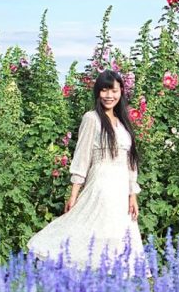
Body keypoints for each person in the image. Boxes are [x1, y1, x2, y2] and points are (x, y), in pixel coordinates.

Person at [27, 69, 145, 272]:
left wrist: (132, 193)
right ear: (98, 92)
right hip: (101, 184)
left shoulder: (123, 122)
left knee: (118, 233)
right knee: (93, 229)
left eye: (114, 90)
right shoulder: (92, 118)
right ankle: (88, 277)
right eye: (104, 90)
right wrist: (74, 193)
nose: (109, 95)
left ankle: (112, 281)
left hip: (120, 189)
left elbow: (130, 162)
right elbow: (82, 156)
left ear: (121, 91)